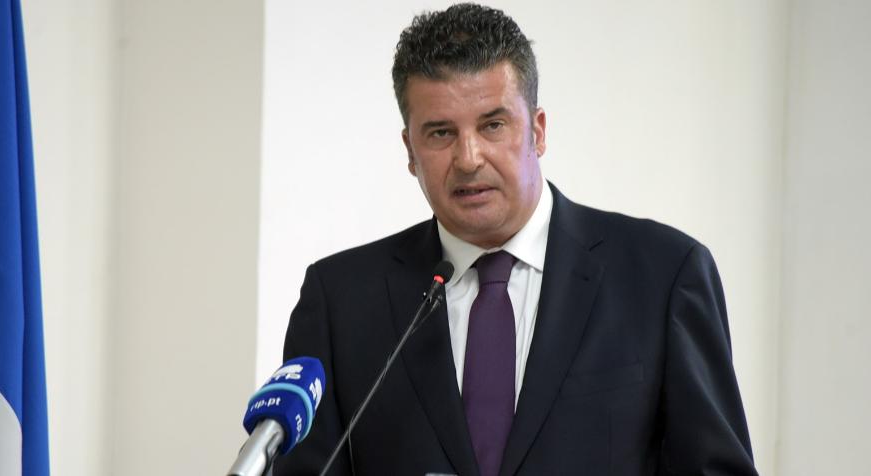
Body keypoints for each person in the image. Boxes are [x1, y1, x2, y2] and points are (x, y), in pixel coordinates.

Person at [274, 4, 757, 475]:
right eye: (440, 133)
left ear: (538, 132)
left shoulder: (663, 275)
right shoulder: (341, 301)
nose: (468, 158)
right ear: (410, 150)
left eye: (493, 125)